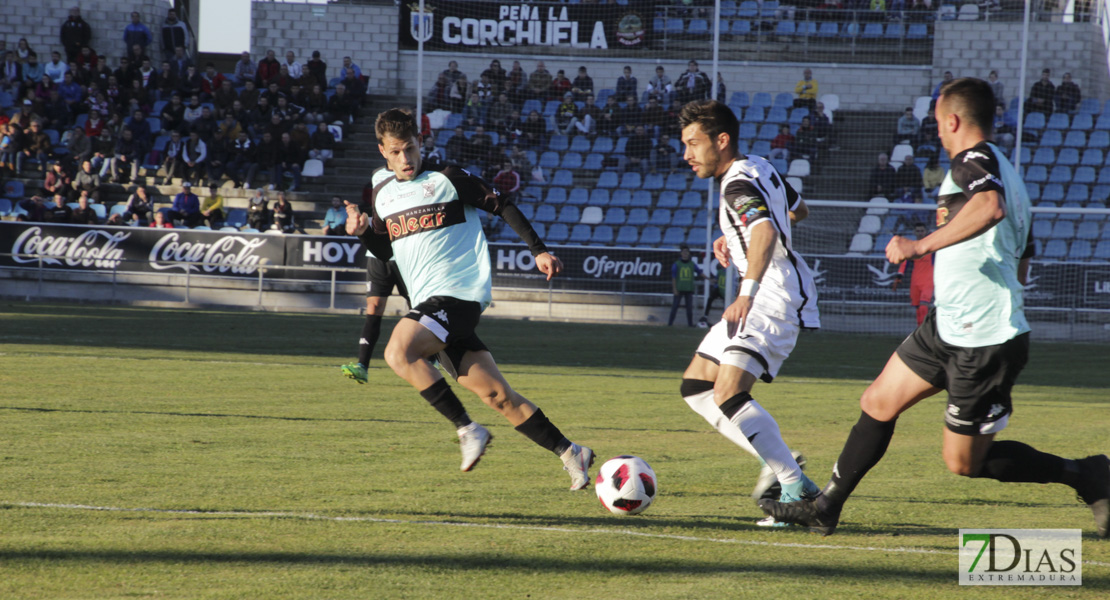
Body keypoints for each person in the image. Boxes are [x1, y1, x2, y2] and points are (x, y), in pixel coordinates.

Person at [759, 77, 1110, 539]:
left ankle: (1087, 475)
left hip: (982, 337)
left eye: (939, 125)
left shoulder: (974, 160)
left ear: (953, 120)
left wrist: (919, 246)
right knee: (878, 402)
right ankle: (825, 507)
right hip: (949, 323)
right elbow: (1024, 253)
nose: (937, 134)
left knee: (964, 462)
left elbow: (989, 207)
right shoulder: (1007, 170)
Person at [343, 107, 594, 488]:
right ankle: (570, 452)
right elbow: (387, 247)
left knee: (397, 352)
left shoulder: (447, 179)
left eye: (410, 148)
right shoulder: (382, 193)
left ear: (420, 142)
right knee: (498, 395)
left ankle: (467, 429)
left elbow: (502, 204)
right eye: (395, 152)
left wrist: (538, 249)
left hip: (458, 294)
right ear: (383, 151)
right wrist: (363, 231)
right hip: (429, 305)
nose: (405, 158)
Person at [677, 99, 821, 522]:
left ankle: (793, 487)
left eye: (693, 143)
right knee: (697, 387)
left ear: (721, 141)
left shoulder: (735, 185)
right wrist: (733, 238)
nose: (687, 154)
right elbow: (798, 210)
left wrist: (746, 289)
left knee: (728, 392)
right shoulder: (759, 166)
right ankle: (783, 465)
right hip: (770, 293)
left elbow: (763, 228)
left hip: (769, 298)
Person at [892, 222, 934, 326]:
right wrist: (899, 275)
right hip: (915, 282)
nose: (920, 233)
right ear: (914, 232)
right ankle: (919, 330)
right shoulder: (912, 247)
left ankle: (924, 330)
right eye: (918, 231)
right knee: (918, 308)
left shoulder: (932, 247)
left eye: (922, 231)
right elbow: (905, 263)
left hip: (928, 281)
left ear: (926, 231)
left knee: (924, 306)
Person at [668, 244, 703, 327]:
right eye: (684, 252)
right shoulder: (677, 264)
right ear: (681, 253)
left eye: (687, 252)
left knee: (689, 308)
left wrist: (709, 279)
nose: (685, 253)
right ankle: (669, 324)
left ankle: (690, 324)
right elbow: (674, 278)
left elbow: (700, 272)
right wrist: (674, 289)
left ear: (689, 253)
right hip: (679, 289)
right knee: (675, 307)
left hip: (689, 289)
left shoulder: (692, 264)